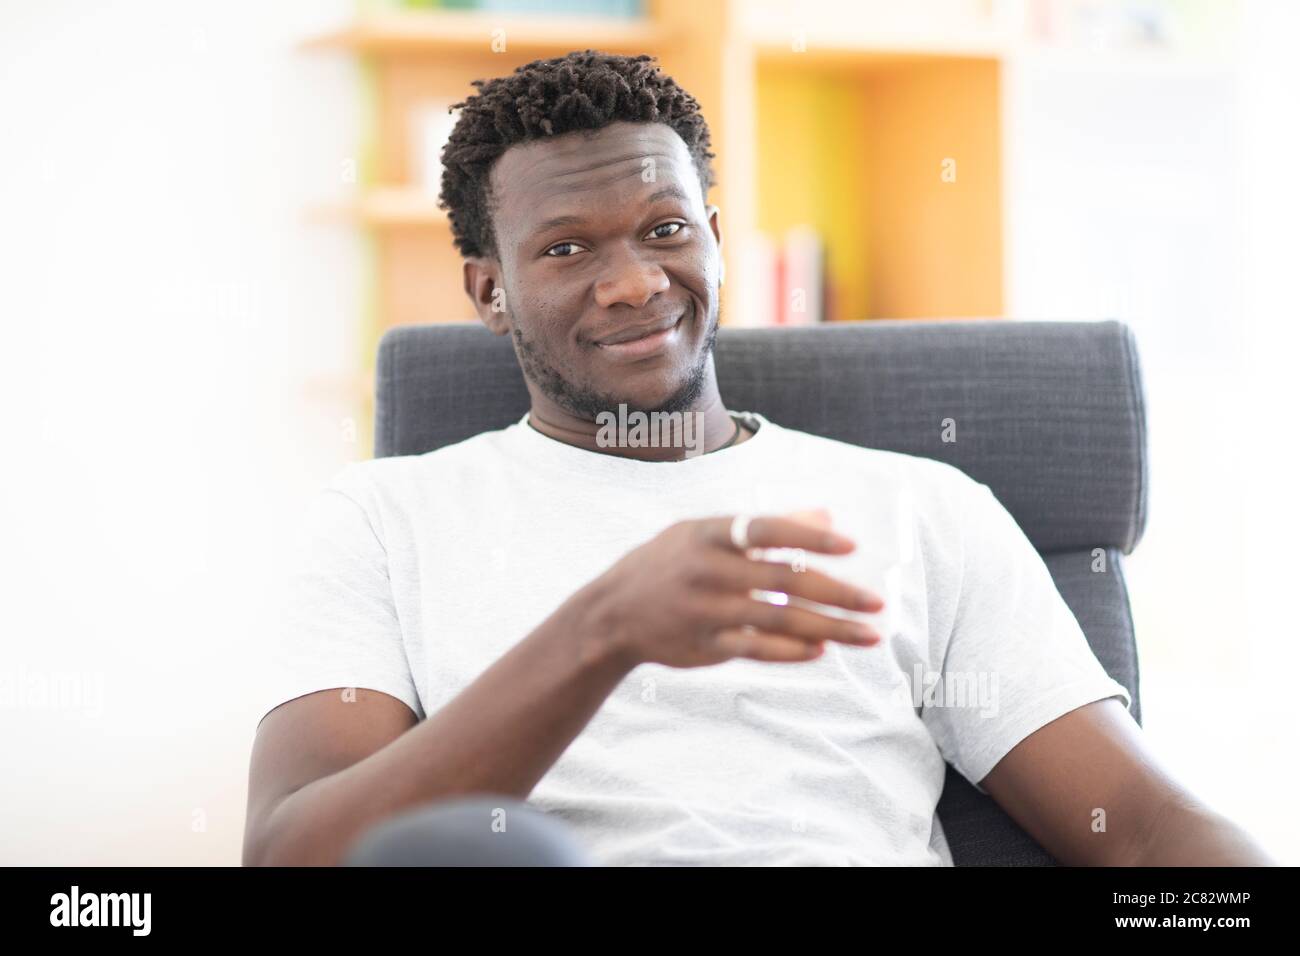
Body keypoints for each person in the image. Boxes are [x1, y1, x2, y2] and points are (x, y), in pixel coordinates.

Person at [242, 51, 1274, 867]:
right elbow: (294, 852)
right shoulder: (385, 516)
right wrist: (603, 631)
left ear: (717, 240)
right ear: (488, 291)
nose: (634, 282)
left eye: (665, 228)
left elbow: (1141, 828)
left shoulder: (920, 508)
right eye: (566, 249)